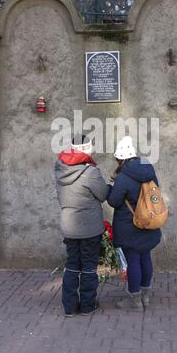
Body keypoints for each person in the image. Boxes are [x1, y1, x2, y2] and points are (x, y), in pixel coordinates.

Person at [55, 134, 109, 317]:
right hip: (89, 227)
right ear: (87, 149)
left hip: (69, 226)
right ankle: (87, 305)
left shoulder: (60, 169)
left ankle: (69, 307)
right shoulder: (90, 172)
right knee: (88, 266)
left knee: (71, 265)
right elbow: (102, 195)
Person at [107, 136, 161, 310]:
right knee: (145, 257)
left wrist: (110, 189)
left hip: (130, 225)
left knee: (133, 260)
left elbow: (114, 201)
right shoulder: (148, 168)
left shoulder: (123, 177)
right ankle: (146, 296)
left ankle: (135, 300)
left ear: (120, 158)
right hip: (149, 221)